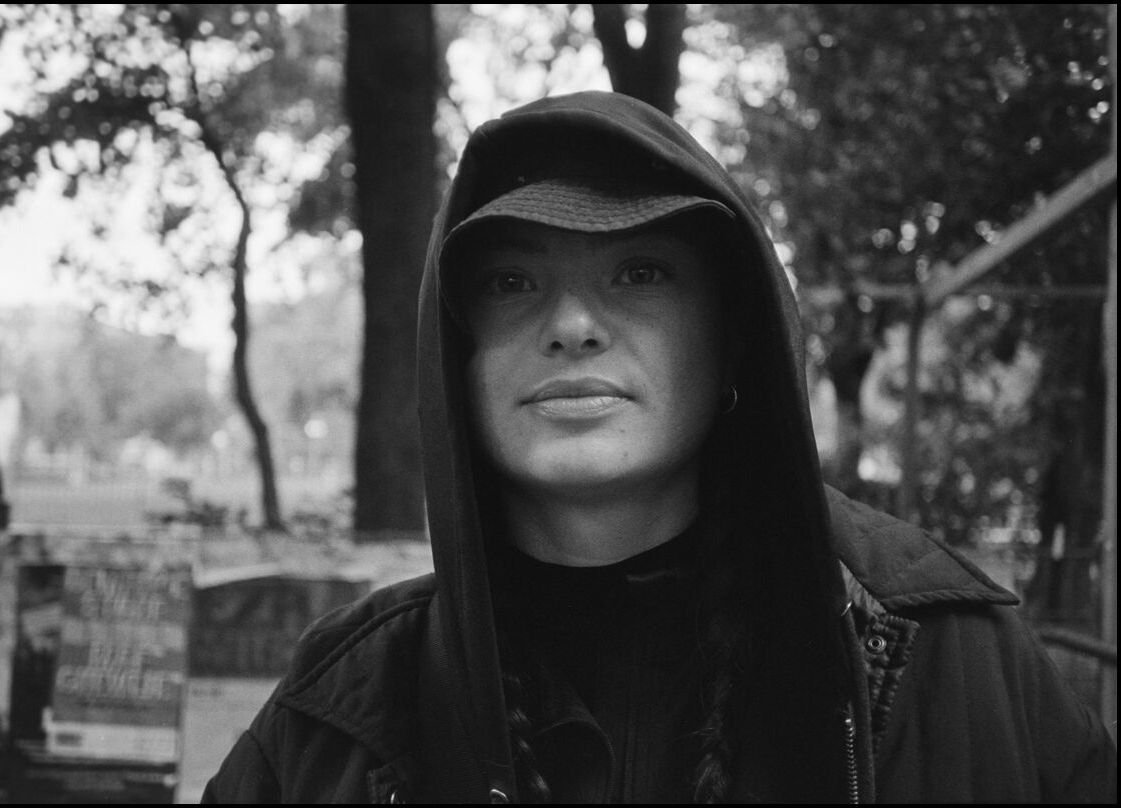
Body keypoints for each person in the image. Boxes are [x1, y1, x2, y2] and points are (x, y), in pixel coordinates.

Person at [202, 91, 1117, 803]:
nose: (571, 324)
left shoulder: (950, 662)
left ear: (732, 342)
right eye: (512, 282)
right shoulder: (341, 707)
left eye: (639, 272)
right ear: (457, 359)